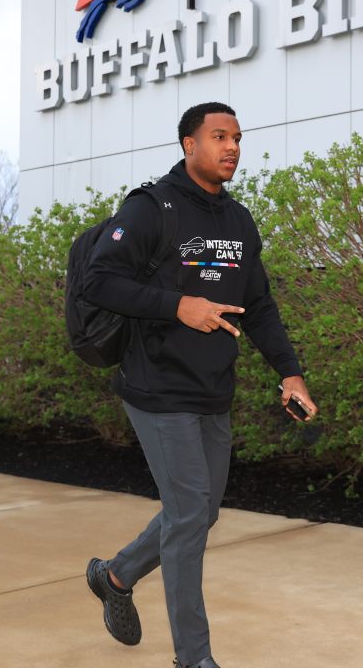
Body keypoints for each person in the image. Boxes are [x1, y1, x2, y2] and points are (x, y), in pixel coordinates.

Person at [80, 102, 318, 668]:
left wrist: (289, 371)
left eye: (237, 137)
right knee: (189, 516)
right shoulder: (150, 208)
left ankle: (115, 576)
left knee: (201, 510)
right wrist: (177, 305)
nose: (232, 146)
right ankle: (195, 659)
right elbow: (98, 279)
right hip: (157, 387)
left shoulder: (237, 221)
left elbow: (258, 306)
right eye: (219, 136)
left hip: (213, 387)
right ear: (189, 144)